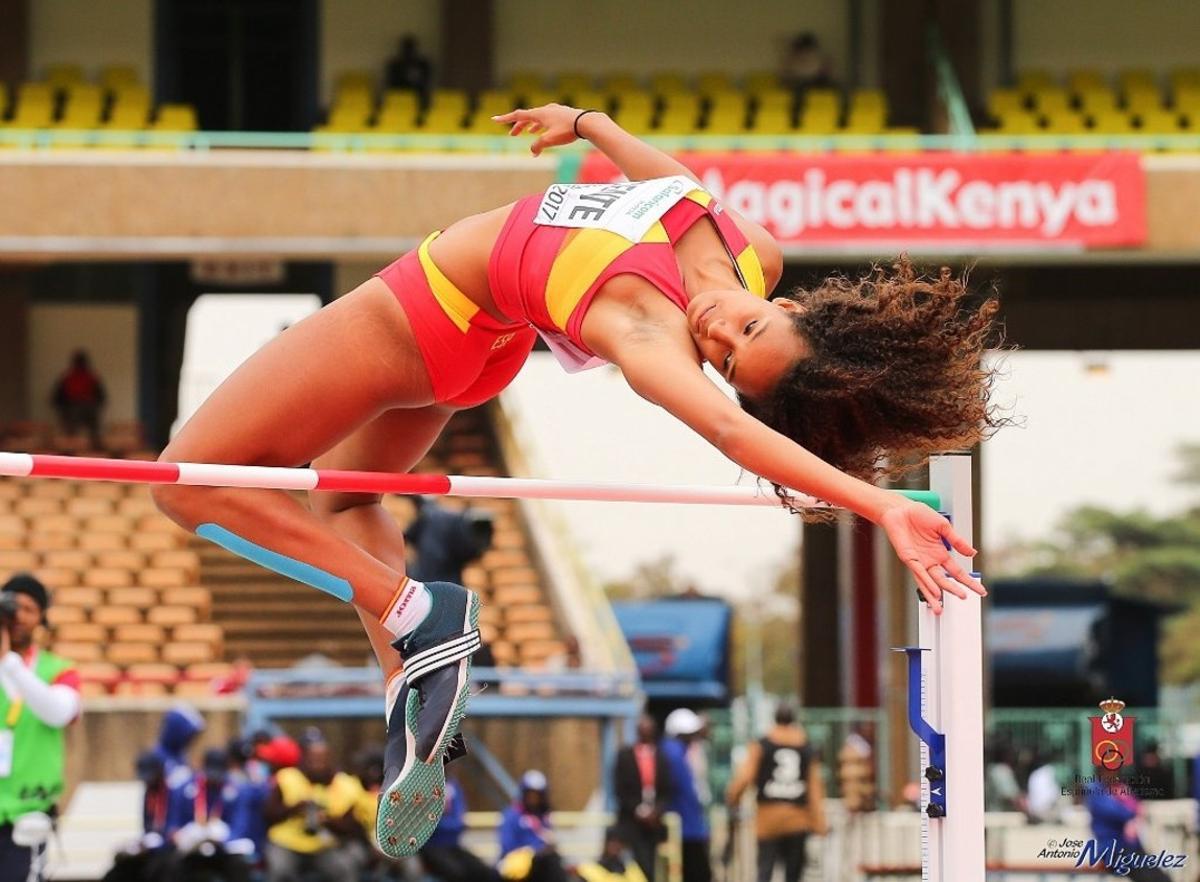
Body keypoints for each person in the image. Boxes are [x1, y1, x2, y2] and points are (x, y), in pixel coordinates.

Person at [150, 100, 992, 857]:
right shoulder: (752, 254)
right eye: (744, 328)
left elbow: (734, 432)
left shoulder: (646, 334)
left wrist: (880, 502)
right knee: (347, 496)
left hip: (422, 310)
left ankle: (417, 613)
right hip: (484, 344)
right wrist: (588, 125)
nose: (718, 334)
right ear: (791, 305)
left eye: (728, 363)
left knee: (182, 485)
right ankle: (409, 684)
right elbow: (673, 186)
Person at [0, 573, 81, 882]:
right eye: (11, 607)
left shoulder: (58, 670)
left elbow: (58, 712)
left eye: (29, 609)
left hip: (27, 815)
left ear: (42, 618)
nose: (18, 616)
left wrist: (9, 662)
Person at [726, 705, 827, 882]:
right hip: (797, 818)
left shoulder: (763, 744)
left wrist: (733, 798)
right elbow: (814, 788)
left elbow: (744, 777)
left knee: (765, 869)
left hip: (768, 818)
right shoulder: (806, 747)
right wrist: (819, 824)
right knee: (793, 872)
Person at [262, 734, 366, 882]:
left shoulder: (345, 784)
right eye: (313, 759)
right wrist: (296, 808)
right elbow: (268, 814)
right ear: (303, 759)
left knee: (344, 869)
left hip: (323, 846)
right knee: (280, 870)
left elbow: (352, 827)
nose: (318, 764)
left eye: (322, 759)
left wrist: (327, 819)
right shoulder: (287, 777)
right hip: (287, 844)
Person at [613, 715, 674, 879]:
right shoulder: (625, 755)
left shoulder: (661, 756)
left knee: (652, 865)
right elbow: (620, 789)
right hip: (631, 820)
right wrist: (638, 809)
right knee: (635, 864)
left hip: (654, 823)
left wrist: (656, 810)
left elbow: (667, 789)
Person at [662, 709, 712, 882]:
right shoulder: (674, 754)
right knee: (698, 873)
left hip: (686, 826)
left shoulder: (678, 752)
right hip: (686, 829)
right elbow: (686, 794)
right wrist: (699, 827)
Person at [421, 775, 496, 882]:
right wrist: (452, 825)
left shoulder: (454, 785)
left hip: (453, 845)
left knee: (484, 871)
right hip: (431, 847)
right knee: (456, 872)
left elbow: (459, 818)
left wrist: (446, 824)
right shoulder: (422, 785)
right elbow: (427, 823)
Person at [405, 495, 494, 584]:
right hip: (424, 577)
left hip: (443, 578)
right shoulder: (428, 515)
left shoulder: (451, 520)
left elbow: (473, 551)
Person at [498, 771, 567, 882]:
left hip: (540, 863)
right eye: (530, 794)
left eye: (537, 795)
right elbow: (507, 845)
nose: (534, 798)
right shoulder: (512, 815)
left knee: (554, 860)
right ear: (524, 794)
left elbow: (548, 842)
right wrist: (531, 851)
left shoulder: (544, 817)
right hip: (516, 865)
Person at [52, 349, 107, 449]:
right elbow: (57, 398)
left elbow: (101, 397)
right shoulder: (68, 377)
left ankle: (95, 447)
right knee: (74, 416)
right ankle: (72, 445)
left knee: (92, 422)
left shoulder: (92, 377)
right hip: (71, 408)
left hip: (89, 408)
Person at [575, 827, 649, 882]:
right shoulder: (590, 869)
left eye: (619, 843)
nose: (615, 846)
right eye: (612, 842)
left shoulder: (631, 868)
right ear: (606, 843)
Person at [385, 34, 433, 103]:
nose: (409, 51)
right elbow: (390, 82)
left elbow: (427, 81)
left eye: (410, 48)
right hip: (399, 95)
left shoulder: (422, 64)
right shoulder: (395, 64)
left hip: (418, 96)